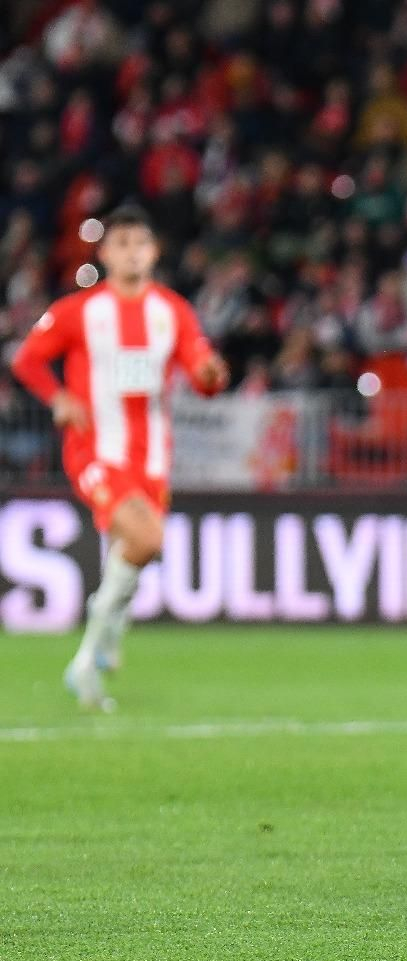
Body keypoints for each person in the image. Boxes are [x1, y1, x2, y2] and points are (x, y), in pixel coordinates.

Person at [10, 204, 229, 711]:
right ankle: (91, 653)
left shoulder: (172, 311)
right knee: (147, 537)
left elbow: (201, 369)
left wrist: (212, 375)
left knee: (139, 552)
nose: (132, 252)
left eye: (140, 243)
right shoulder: (78, 311)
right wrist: (58, 399)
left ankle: (99, 643)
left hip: (152, 459)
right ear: (105, 253)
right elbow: (27, 360)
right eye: (122, 243)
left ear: (154, 253)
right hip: (95, 450)